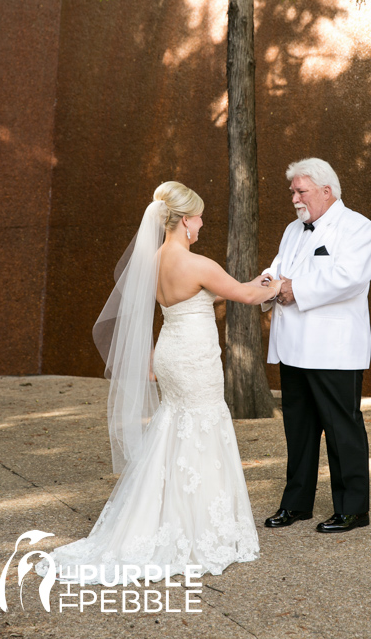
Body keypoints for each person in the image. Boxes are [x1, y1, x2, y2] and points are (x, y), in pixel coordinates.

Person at [36, 181, 281, 584]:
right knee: (202, 426)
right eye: (199, 217)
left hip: (169, 354)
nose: (202, 223)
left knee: (174, 426)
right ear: (185, 221)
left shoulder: (152, 262)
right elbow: (246, 296)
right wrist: (274, 281)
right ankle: (199, 526)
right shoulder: (197, 263)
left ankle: (162, 514)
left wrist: (244, 287)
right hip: (195, 360)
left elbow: (196, 297)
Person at [262, 158, 371, 534]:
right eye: (293, 191)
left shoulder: (358, 227)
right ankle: (296, 504)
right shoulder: (292, 229)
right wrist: (265, 283)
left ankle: (353, 509)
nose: (294, 198)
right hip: (292, 346)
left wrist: (293, 288)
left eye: (301, 191)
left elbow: (350, 277)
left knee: (342, 428)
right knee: (298, 429)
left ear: (327, 191)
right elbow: (277, 268)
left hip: (333, 348)